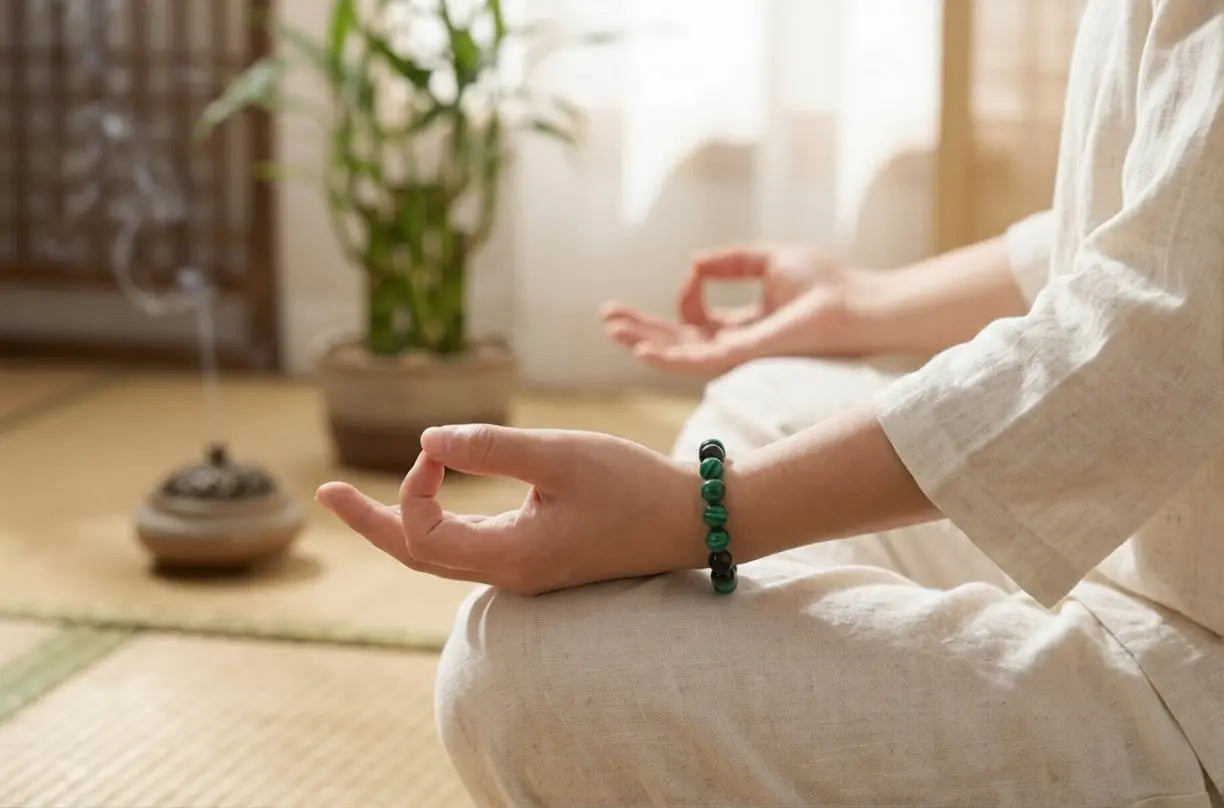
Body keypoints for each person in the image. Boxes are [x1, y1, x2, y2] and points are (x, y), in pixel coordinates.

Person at [317, 0, 1224, 804]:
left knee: (522, 674)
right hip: (1142, 545)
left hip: (1190, 662)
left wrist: (695, 512)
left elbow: (1151, 349)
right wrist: (860, 303)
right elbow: (1137, 233)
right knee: (772, 399)